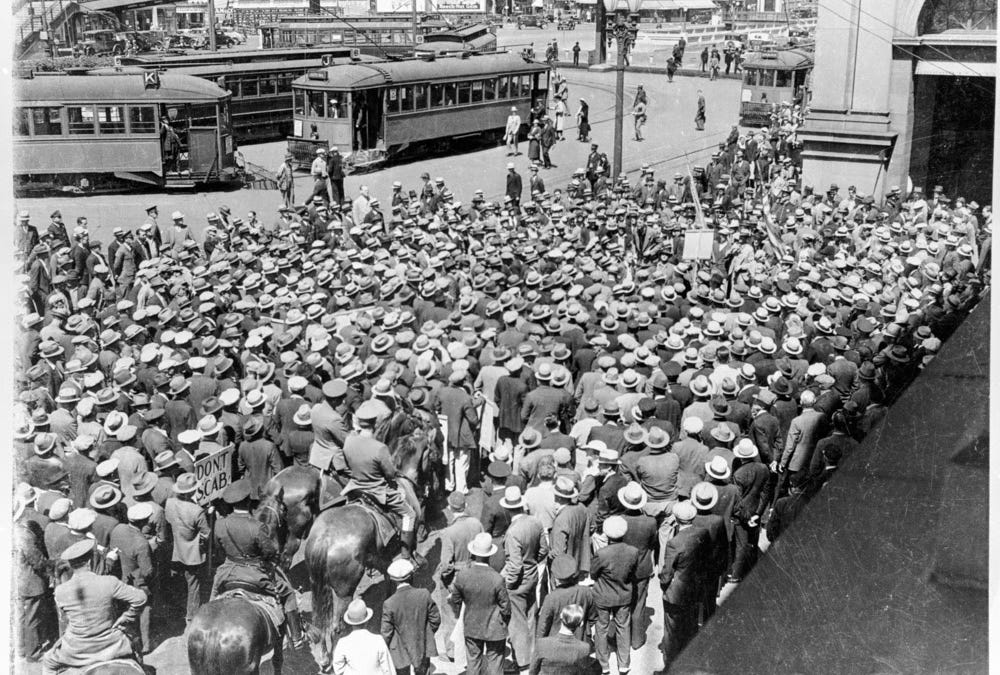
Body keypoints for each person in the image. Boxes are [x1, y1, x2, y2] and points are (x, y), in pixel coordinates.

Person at [42, 539, 147, 673]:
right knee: (136, 648)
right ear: (91, 561)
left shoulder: (60, 591)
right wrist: (126, 617)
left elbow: (66, 618)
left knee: (48, 661)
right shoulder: (109, 582)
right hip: (112, 644)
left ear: (71, 566)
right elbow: (140, 598)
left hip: (76, 650)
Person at [342, 401, 418, 561]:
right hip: (378, 491)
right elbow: (390, 474)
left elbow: (348, 463)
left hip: (354, 488)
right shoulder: (379, 448)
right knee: (410, 515)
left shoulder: (349, 440)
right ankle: (406, 556)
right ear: (375, 423)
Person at [449, 533, 510, 675]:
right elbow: (506, 607)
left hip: (472, 625)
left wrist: (461, 614)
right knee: (495, 664)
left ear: (473, 553)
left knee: (473, 662)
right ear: (490, 555)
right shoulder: (497, 578)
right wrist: (503, 622)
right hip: (495, 628)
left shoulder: (463, 575)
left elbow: (455, 600)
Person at [658, 501, 710, 670]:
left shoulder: (674, 542)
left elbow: (666, 573)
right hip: (696, 588)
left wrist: (665, 585)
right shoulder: (703, 533)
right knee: (691, 625)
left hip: (676, 593)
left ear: (677, 519)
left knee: (672, 632)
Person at [589, 515, 639, 674]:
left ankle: (603, 665)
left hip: (603, 596)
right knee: (623, 627)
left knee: (601, 628)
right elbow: (633, 573)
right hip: (623, 595)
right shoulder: (633, 551)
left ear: (606, 533)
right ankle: (624, 664)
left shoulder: (602, 553)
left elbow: (593, 574)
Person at [163, 472, 209, 625]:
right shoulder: (197, 511)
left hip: (175, 551)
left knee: (179, 582)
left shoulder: (169, 503)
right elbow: (206, 534)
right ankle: (191, 616)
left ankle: (177, 610)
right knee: (193, 585)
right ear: (192, 491)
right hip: (191, 554)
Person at [381, 558, 440, 675]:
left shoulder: (389, 603)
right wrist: (425, 632)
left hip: (400, 650)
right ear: (411, 576)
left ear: (393, 580)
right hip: (423, 644)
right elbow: (435, 619)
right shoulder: (424, 594)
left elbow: (386, 632)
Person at [529, 604, 601, 674]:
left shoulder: (542, 643)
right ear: (581, 623)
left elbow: (533, 671)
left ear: (561, 616)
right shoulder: (584, 648)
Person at [332, 599, 395, 675]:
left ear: (350, 622)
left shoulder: (343, 643)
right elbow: (388, 669)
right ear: (367, 621)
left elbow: (338, 668)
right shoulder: (378, 640)